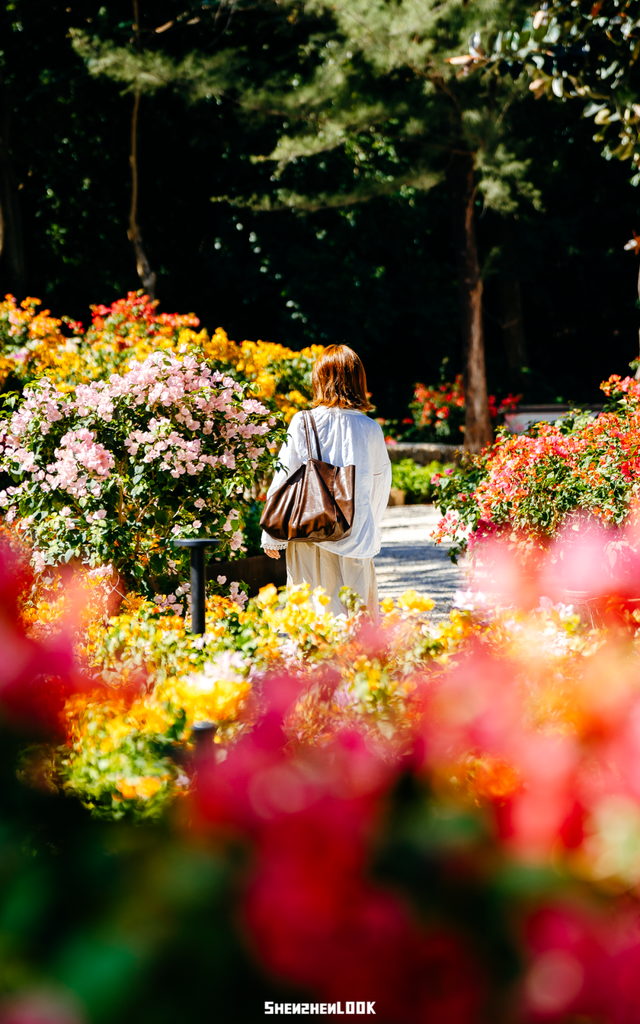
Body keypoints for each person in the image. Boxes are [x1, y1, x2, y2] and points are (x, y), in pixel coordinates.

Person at [261, 344, 391, 616]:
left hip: (307, 533)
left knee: (312, 616)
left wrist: (271, 534)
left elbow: (284, 476)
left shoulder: (302, 422)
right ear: (358, 381)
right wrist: (367, 525)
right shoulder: (370, 428)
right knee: (355, 619)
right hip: (354, 539)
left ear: (320, 378)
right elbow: (380, 487)